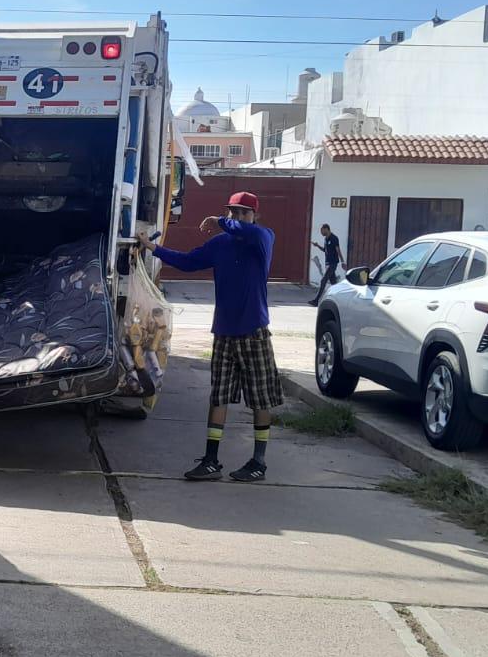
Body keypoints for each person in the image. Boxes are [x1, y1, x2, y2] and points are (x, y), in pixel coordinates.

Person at [141, 190, 282, 482]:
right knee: (218, 396)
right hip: (224, 332)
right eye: (234, 211)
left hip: (254, 330)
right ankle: (211, 460)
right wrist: (153, 249)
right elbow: (188, 261)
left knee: (261, 398)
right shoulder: (221, 243)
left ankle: (258, 462)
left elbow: (246, 232)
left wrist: (220, 220)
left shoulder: (262, 237)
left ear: (255, 215)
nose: (238, 217)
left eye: (244, 212)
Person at [309, 222, 342, 306]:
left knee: (323, 280)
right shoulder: (326, 239)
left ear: (326, 229)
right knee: (334, 284)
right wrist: (317, 246)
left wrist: (343, 262)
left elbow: (338, 251)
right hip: (328, 264)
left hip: (332, 264)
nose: (321, 233)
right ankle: (339, 301)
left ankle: (316, 301)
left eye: (322, 231)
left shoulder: (334, 238)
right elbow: (325, 250)